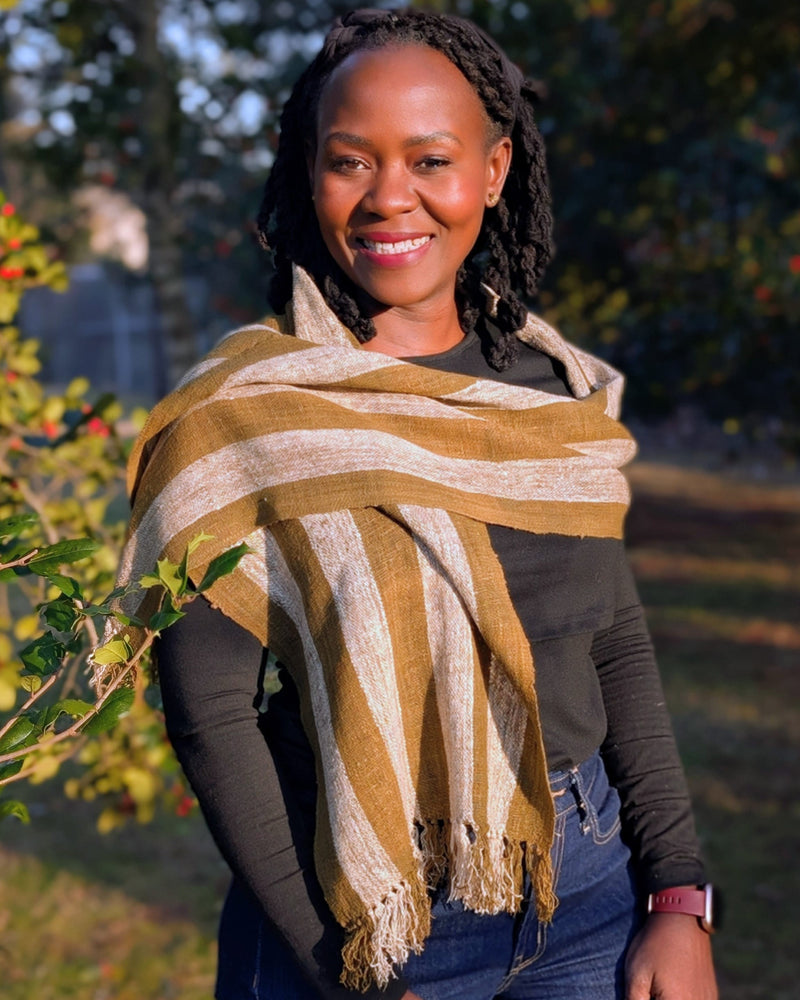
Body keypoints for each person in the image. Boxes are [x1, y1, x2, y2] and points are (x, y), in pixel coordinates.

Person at [109, 8, 718, 999]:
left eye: (429, 159)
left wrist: (676, 898)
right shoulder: (245, 417)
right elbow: (209, 714)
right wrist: (334, 963)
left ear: (491, 170)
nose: (391, 198)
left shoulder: (548, 391)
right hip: (355, 908)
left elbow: (612, 643)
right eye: (352, 161)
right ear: (309, 171)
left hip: (590, 892)